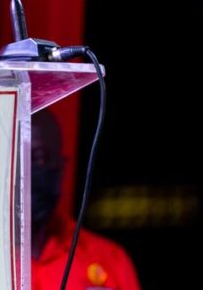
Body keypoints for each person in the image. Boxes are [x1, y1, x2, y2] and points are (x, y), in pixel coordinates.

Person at [30, 109, 141, 290]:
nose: (27, 171)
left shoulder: (109, 259)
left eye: (39, 158)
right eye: (20, 158)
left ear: (61, 169)